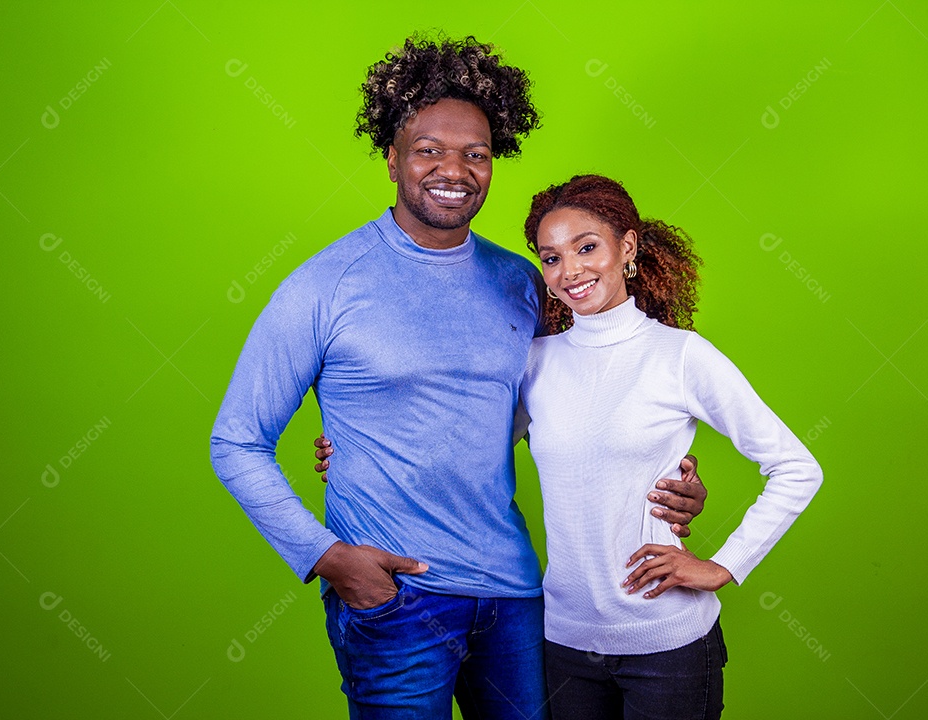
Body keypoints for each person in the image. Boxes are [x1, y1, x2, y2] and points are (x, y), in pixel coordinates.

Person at [210, 36, 705, 720]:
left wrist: (669, 480)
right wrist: (329, 558)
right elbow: (235, 441)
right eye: (429, 150)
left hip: (519, 598)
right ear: (392, 158)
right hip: (397, 600)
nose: (454, 169)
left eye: (475, 153)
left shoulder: (522, 282)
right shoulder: (324, 285)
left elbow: (577, 407)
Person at [516, 174, 823, 719]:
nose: (570, 272)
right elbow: (465, 449)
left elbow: (797, 467)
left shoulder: (680, 356)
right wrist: (355, 447)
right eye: (551, 258)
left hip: (668, 648)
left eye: (587, 247)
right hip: (564, 645)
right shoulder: (535, 362)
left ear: (627, 247)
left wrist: (724, 565)